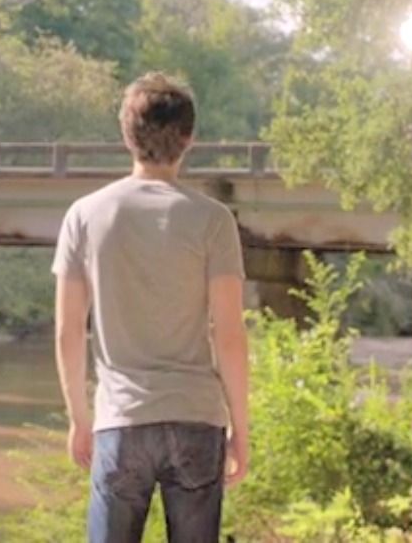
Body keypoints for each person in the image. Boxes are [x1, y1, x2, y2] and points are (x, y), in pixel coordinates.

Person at [52, 72, 251, 543]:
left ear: (126, 135)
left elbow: (67, 330)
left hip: (121, 421)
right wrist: (241, 429)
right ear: (189, 139)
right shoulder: (213, 220)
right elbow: (229, 336)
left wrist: (80, 418)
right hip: (197, 418)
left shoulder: (85, 215)